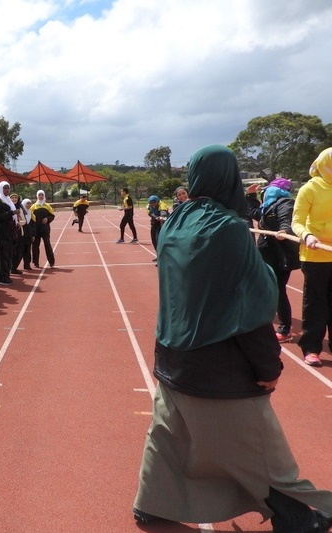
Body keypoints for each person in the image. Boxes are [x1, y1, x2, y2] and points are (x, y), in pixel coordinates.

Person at [133, 145, 332, 532]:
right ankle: (295, 517)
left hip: (172, 355)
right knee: (261, 448)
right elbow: (251, 306)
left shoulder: (176, 220)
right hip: (216, 364)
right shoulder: (228, 229)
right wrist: (267, 365)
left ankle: (152, 502)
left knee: (168, 436)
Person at [292, 147, 332, 367]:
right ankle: (311, 348)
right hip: (315, 256)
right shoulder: (310, 188)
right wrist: (306, 235)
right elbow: (296, 220)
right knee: (315, 304)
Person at [256, 178, 300, 344]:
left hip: (279, 255)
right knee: (265, 287)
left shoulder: (285, 203)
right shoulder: (267, 205)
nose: (267, 192)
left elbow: (286, 220)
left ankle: (284, 328)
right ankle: (264, 319)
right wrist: (251, 195)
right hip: (266, 254)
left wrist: (284, 230)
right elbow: (253, 212)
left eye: (270, 189)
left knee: (278, 290)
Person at [0, 180, 16, 285]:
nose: (6, 190)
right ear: (0, 189)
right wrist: (11, 213)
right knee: (3, 256)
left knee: (8, 255)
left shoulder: (8, 199)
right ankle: (2, 278)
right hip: (1, 232)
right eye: (4, 188)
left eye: (8, 188)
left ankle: (6, 275)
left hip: (9, 231)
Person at [29, 189, 56, 267]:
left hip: (45, 229)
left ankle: (51, 262)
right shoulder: (33, 206)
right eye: (39, 195)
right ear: (37, 196)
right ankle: (36, 262)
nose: (41, 196)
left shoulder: (47, 206)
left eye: (42, 195)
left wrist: (47, 219)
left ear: (44, 196)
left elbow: (52, 216)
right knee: (35, 246)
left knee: (47, 245)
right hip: (36, 230)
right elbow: (31, 218)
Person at [146, 195, 169, 262]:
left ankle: (163, 258)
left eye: (154, 202)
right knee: (154, 240)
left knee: (160, 239)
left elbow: (163, 212)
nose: (153, 204)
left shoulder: (162, 205)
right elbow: (150, 213)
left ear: (158, 202)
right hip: (155, 222)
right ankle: (159, 255)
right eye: (151, 203)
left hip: (163, 223)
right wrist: (156, 217)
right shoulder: (148, 206)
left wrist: (161, 216)